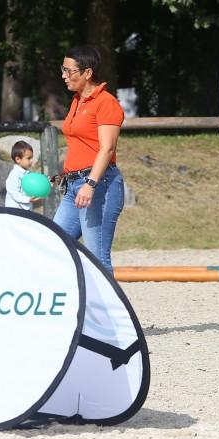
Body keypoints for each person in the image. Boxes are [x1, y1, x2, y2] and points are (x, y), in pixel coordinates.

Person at [51, 45, 126, 270]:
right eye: (62, 69)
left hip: (99, 186)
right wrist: (59, 177)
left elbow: (107, 149)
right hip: (75, 186)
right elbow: (81, 146)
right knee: (54, 245)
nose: (63, 75)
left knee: (98, 259)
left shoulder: (106, 103)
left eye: (69, 71)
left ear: (87, 73)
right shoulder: (76, 101)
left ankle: (110, 307)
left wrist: (90, 184)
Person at [3, 140, 41, 211]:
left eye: (32, 158)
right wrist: (28, 199)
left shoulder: (28, 174)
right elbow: (14, 193)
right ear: (18, 159)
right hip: (14, 213)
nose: (32, 160)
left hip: (26, 212)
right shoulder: (14, 175)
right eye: (29, 158)